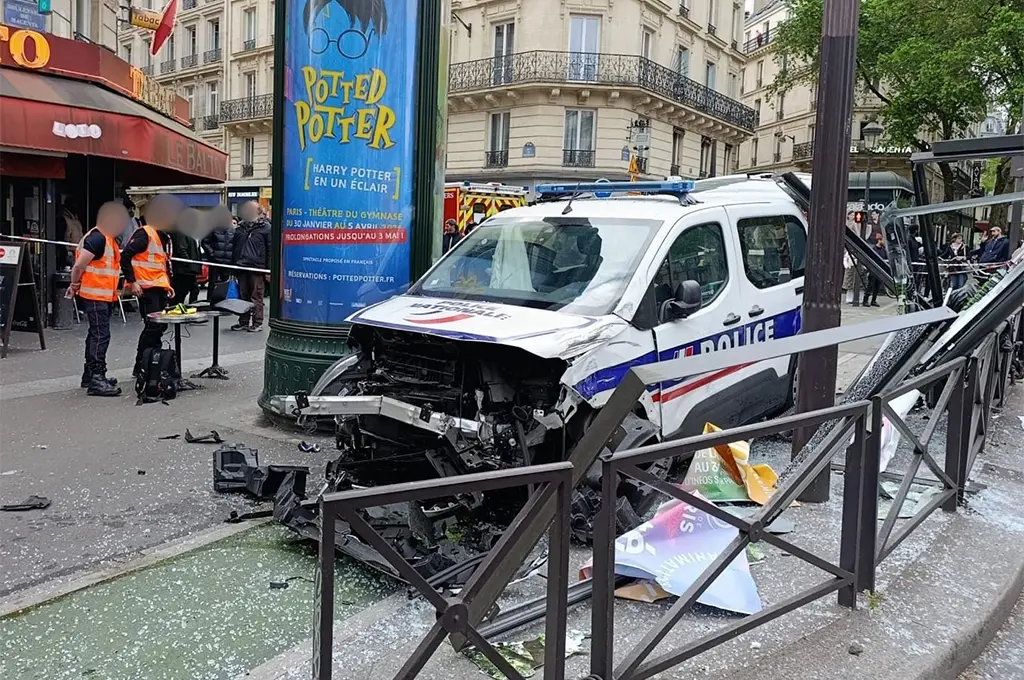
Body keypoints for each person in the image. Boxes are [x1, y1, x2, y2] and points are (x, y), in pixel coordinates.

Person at [68, 201, 128, 397]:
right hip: (95, 295)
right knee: (101, 335)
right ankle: (96, 378)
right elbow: (79, 266)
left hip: (100, 295)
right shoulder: (98, 238)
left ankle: (90, 374)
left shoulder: (105, 238)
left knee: (96, 333)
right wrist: (74, 285)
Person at [121, 194, 181, 375]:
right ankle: (142, 364)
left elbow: (161, 264)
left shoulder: (161, 236)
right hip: (147, 288)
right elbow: (126, 256)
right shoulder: (145, 233)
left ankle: (150, 362)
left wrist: (167, 286)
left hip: (157, 287)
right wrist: (132, 282)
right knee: (153, 326)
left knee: (158, 326)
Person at [231, 201, 271, 332]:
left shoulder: (266, 228)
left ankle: (257, 322)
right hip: (241, 266)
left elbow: (271, 250)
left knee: (256, 296)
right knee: (243, 295)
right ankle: (243, 321)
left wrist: (268, 269)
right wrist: (233, 266)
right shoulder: (241, 228)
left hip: (256, 267)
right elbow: (235, 248)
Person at [170, 208, 203, 306]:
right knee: (183, 291)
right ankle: (180, 309)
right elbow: (181, 249)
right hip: (184, 269)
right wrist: (189, 263)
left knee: (190, 290)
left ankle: (187, 308)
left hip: (188, 269)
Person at [201, 205, 236, 283]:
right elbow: (205, 242)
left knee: (225, 285)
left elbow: (234, 244)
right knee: (213, 284)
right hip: (215, 262)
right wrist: (212, 255)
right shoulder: (212, 228)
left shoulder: (232, 230)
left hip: (227, 263)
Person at [863, 233, 887, 307]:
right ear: (879, 240)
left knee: (877, 286)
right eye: (883, 240)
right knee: (870, 285)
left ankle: (873, 300)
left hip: (880, 270)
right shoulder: (874, 249)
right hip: (873, 270)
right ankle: (865, 300)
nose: (884, 242)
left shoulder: (884, 250)